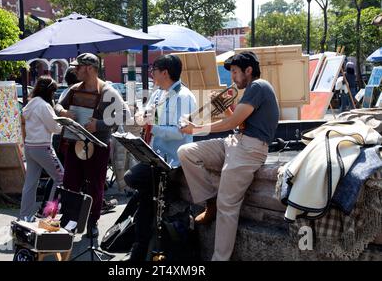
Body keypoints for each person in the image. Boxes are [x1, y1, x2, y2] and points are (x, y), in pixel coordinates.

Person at [177, 51, 279, 261]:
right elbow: (240, 124)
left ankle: (219, 259)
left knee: (228, 204)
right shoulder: (251, 89)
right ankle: (209, 201)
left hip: (250, 149)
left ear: (248, 70)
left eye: (234, 71)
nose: (232, 77)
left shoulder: (259, 86)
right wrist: (224, 107)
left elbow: (232, 125)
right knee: (186, 152)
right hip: (235, 142)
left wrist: (195, 129)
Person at [122, 54, 197, 261]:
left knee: (133, 179)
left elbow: (180, 132)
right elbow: (148, 117)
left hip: (172, 161)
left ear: (165, 72)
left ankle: (140, 248)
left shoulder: (184, 97)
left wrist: (152, 128)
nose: (151, 74)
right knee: (145, 199)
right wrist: (140, 118)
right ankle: (140, 248)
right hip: (155, 156)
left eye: (153, 70)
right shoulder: (158, 94)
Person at [55, 53, 132, 238]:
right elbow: (57, 106)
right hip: (75, 144)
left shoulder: (108, 92)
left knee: (95, 186)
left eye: (78, 67)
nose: (75, 70)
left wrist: (98, 124)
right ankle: (69, 221)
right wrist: (64, 112)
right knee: (70, 184)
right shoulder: (74, 89)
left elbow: (124, 115)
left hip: (97, 147)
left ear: (89, 68)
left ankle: (92, 222)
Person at [19, 76, 64, 220]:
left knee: (30, 183)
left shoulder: (31, 103)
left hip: (30, 147)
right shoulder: (44, 106)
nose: (54, 95)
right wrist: (65, 123)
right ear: (49, 92)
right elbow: (56, 128)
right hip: (43, 147)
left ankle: (25, 216)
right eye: (53, 92)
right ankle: (48, 213)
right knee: (61, 178)